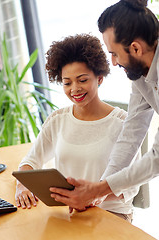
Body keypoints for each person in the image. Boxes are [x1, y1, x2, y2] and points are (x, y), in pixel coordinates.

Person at [15, 33, 139, 222]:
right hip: (68, 214)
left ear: (99, 78)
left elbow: (132, 184)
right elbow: (30, 162)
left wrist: (94, 197)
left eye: (82, 80)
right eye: (67, 83)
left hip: (111, 215)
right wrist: (22, 186)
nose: (74, 89)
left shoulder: (122, 123)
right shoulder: (58, 119)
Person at [50, 0, 159, 211]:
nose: (114, 63)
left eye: (114, 53)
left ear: (135, 48)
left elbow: (157, 158)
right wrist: (98, 192)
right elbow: (131, 133)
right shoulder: (139, 75)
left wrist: (98, 190)